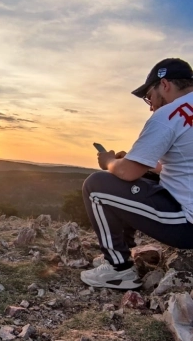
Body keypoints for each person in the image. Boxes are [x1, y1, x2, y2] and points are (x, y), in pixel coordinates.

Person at [80, 57, 193, 290]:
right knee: (145, 175)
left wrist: (110, 161)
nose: (150, 104)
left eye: (148, 96)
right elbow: (180, 168)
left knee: (97, 185)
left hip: (187, 227)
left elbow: (127, 173)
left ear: (165, 85)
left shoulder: (169, 115)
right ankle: (125, 249)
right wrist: (141, 164)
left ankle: (118, 269)